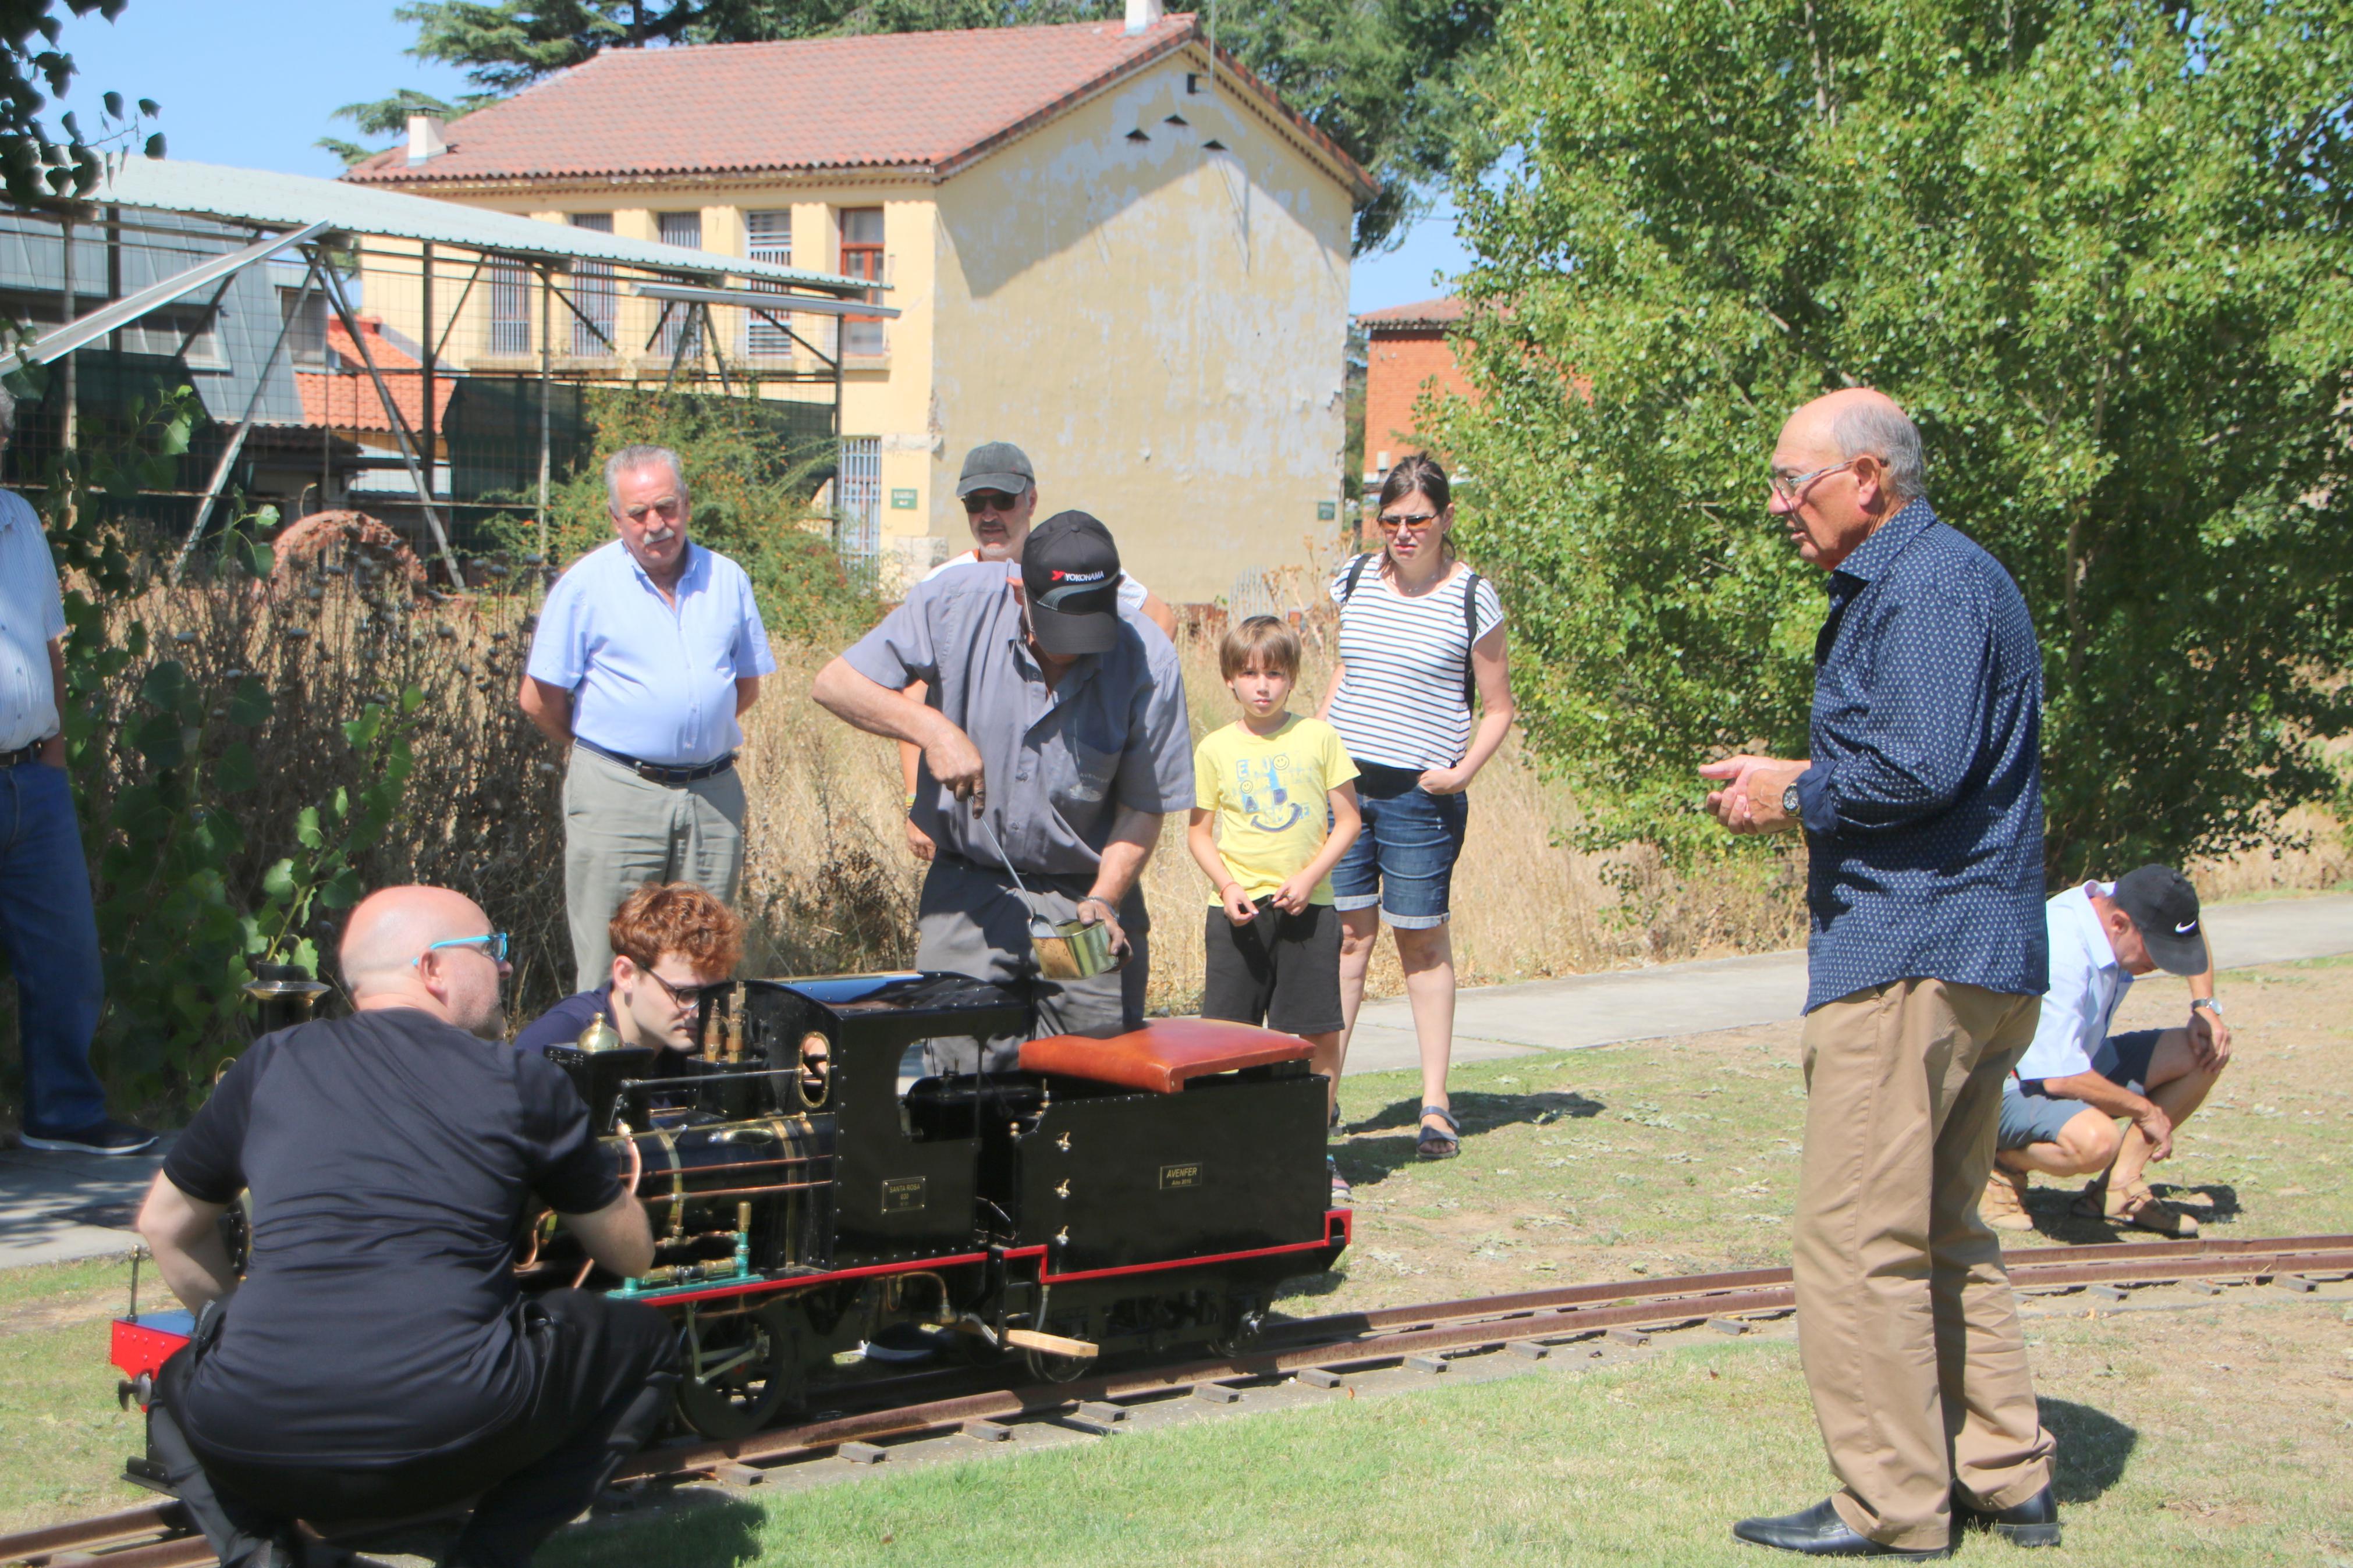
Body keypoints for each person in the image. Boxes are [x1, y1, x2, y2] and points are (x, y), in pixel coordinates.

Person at [1701, 389, 2060, 1556]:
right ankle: (2003, 1475)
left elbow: (1915, 766)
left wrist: (1794, 791)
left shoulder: (1926, 584)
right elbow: (1923, 754)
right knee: (1940, 1228)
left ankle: (1892, 1506)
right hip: (1969, 951)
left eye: (1787, 482)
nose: (1773, 505)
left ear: (1865, 478)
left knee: (1855, 1239)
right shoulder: (1931, 581)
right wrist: (1794, 772)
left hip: (1910, 954)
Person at [132, 886, 675, 1568]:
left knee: (175, 1386)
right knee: (648, 1344)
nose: (506, 966)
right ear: (433, 969)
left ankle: (263, 1559)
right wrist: (590, 1177)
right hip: (453, 1427)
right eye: (491, 948)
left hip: (254, 1430)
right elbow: (629, 1253)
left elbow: (165, 1224)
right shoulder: (515, 1079)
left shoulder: (269, 1065)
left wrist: (243, 1329)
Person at [812, 510, 1191, 1063]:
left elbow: (1143, 804)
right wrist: (933, 730)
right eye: (1062, 627)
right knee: (961, 1078)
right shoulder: (953, 603)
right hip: (969, 892)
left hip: (1081, 904)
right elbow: (835, 684)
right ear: (1019, 588)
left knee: (1091, 1075)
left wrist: (1105, 896)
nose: (1075, 648)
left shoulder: (1148, 656)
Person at [520, 444, 776, 990]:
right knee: (612, 959)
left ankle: (688, 1073)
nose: (656, 525)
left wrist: (690, 733)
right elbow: (538, 698)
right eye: (639, 514)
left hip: (711, 796)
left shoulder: (726, 578)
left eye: (666, 508)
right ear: (615, 519)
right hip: (618, 794)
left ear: (686, 503)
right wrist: (612, 749)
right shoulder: (586, 585)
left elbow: (745, 685)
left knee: (704, 957)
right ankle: (606, 1072)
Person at [1319, 454, 1512, 1161]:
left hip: (1418, 797)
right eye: (1390, 520)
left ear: (1445, 518)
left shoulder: (1471, 598)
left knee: (1420, 943)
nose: (1402, 533)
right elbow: (1347, 670)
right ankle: (1325, 1098)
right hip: (1344, 785)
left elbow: (1496, 707)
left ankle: (1435, 1105)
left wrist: (1460, 772)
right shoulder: (1353, 580)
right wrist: (1313, 745)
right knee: (1345, 942)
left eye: (1417, 521)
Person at [0, 385, 152, 1155]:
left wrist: (55, 755)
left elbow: (51, 644)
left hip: (34, 776)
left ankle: (61, 1114)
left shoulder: (20, 520)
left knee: (66, 954)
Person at [1187, 615, 1361, 1199]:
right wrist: (1228, 886)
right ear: (1230, 680)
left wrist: (1310, 878)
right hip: (1235, 914)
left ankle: (1311, 1151)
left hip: (1308, 912)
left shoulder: (1319, 738)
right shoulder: (1213, 748)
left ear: (1291, 680)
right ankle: (1228, 1153)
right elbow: (1198, 835)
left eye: (1275, 674)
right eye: (1249, 673)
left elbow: (1349, 821)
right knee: (1227, 1039)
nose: (1262, 685)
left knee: (1314, 1035)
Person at [1984, 865, 2230, 1238]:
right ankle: (1996, 1164)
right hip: (2003, 1086)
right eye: (2158, 952)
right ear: (2119, 924)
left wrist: (2204, 1006)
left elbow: (2189, 923)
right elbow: (2059, 1076)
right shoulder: (2064, 950)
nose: (2163, 965)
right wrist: (2146, 1111)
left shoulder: (2123, 900)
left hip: (2071, 1061)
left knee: (2204, 1049)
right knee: (2096, 1141)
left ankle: (2118, 1189)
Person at [514, 881, 744, 1058]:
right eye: (685, 993)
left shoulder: (706, 1042)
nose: (698, 1012)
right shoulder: (555, 1040)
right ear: (626, 974)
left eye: (712, 995)